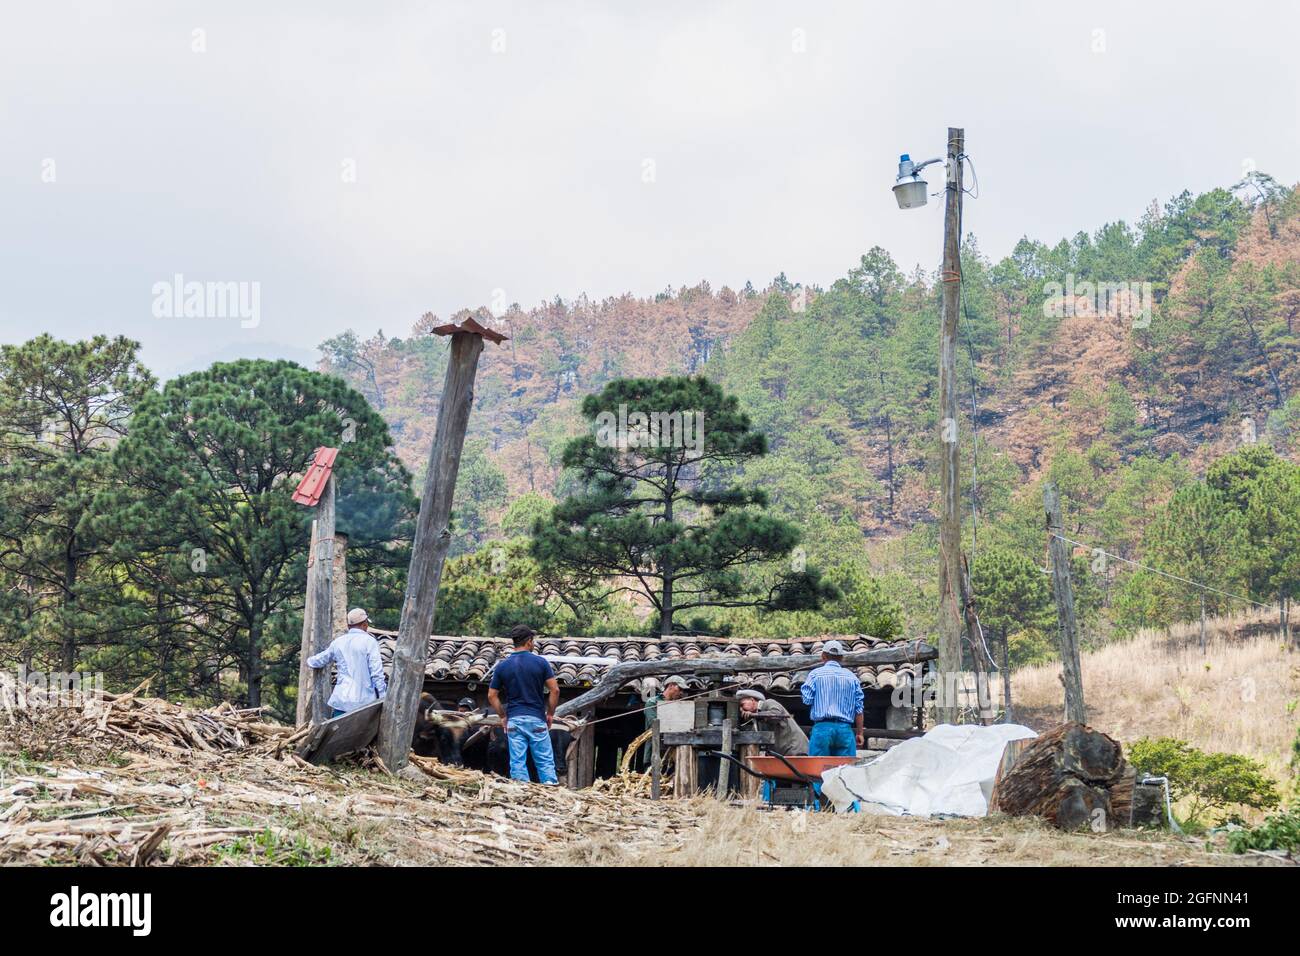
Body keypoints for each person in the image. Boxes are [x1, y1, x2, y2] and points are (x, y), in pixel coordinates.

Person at [487, 624, 560, 784]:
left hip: (514, 721)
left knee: (517, 763)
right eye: (533, 641)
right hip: (536, 719)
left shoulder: (502, 666)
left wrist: (503, 717)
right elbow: (555, 690)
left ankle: (522, 794)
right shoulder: (541, 663)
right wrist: (550, 714)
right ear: (529, 641)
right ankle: (550, 790)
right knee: (545, 762)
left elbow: (492, 695)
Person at [306, 607, 387, 718]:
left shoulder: (338, 642)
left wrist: (309, 660)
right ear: (365, 624)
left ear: (348, 626)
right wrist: (383, 696)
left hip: (342, 702)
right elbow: (377, 673)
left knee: (338, 733)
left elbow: (319, 660)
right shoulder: (370, 642)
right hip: (364, 703)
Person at [799, 639, 864, 756]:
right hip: (845, 730)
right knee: (845, 770)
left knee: (818, 770)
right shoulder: (852, 677)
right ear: (841, 658)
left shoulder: (815, 674)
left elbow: (807, 700)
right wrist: (860, 733)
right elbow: (859, 709)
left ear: (823, 656)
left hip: (822, 729)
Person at [737, 688, 808, 756]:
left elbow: (776, 715)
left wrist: (755, 715)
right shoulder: (757, 718)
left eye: (742, 704)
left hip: (795, 749)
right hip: (784, 753)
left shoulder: (769, 703)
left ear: (752, 700)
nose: (741, 709)